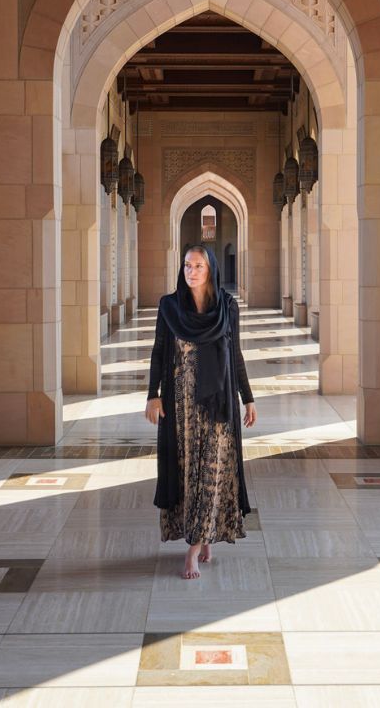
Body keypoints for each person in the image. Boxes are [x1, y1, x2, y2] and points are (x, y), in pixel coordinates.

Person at [145, 244, 257, 580]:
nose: (190, 272)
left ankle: (195, 546)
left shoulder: (227, 308)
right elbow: (159, 353)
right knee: (187, 473)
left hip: (219, 404)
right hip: (181, 407)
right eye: (186, 265)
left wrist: (248, 398)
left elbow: (234, 355)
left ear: (211, 270)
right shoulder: (169, 307)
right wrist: (153, 395)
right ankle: (202, 536)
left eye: (198, 266)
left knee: (212, 473)